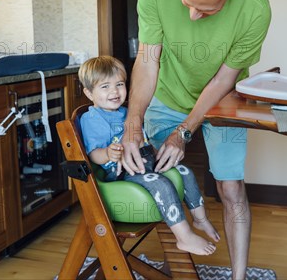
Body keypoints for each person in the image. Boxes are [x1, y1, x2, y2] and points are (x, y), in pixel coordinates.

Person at [121, 0, 271, 279]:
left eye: (206, 11)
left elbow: (223, 80)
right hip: (168, 93)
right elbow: (147, 60)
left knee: (230, 187)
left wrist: (184, 131)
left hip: (224, 99)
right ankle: (178, 259)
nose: (192, 16)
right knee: (159, 173)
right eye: (187, 4)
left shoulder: (255, 8)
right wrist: (133, 121)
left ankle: (238, 276)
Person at [78, 56, 220, 255]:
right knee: (162, 184)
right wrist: (109, 153)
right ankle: (184, 237)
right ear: (88, 92)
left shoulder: (127, 112)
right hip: (124, 171)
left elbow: (142, 140)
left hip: (145, 162)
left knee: (184, 171)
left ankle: (200, 219)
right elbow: (93, 155)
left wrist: (154, 150)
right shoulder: (92, 118)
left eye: (119, 84)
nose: (114, 91)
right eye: (105, 86)